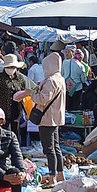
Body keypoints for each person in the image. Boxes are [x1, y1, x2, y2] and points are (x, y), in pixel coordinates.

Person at [15, 52, 67, 185]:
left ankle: (52, 177)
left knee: (49, 149)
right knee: (56, 147)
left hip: (47, 118)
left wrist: (30, 92)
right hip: (56, 117)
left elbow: (42, 99)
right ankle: (60, 174)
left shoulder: (50, 81)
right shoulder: (60, 78)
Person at [0, 54, 27, 126]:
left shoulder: (20, 78)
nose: (10, 68)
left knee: (16, 133)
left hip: (17, 111)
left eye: (12, 67)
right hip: (3, 111)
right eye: (8, 66)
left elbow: (24, 92)